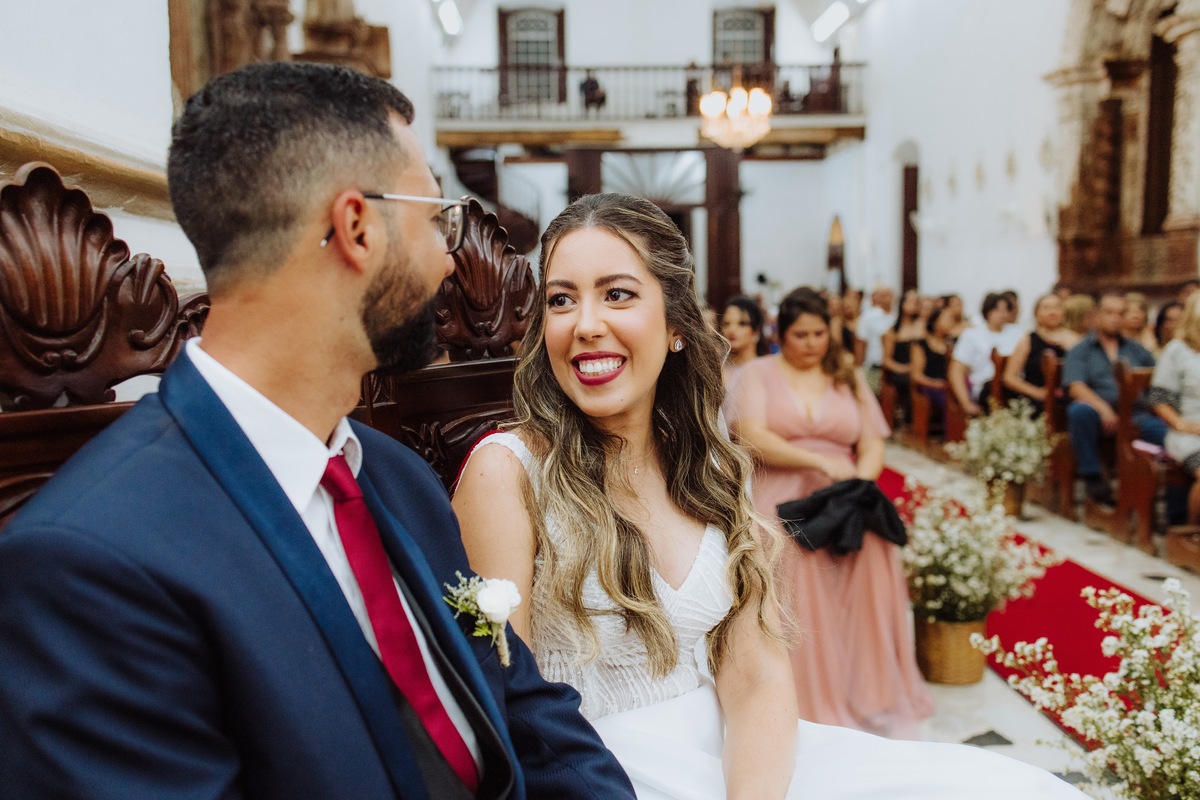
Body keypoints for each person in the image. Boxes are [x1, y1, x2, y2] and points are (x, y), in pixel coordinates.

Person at [0, 63, 635, 799]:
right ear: (356, 227)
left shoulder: (397, 477)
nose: (449, 262)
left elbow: (524, 707)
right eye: (437, 221)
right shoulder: (88, 567)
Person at [454, 194, 1087, 799]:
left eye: (617, 294)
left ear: (676, 325)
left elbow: (756, 676)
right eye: (562, 300)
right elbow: (508, 704)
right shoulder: (507, 474)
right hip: (595, 774)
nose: (586, 326)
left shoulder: (711, 471)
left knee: (1007, 787)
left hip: (747, 761)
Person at [731, 286, 933, 738]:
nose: (811, 343)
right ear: (782, 333)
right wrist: (820, 461)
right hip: (786, 492)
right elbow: (751, 433)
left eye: (820, 333)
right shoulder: (758, 373)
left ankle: (872, 691)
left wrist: (862, 479)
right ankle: (801, 695)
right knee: (785, 552)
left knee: (874, 550)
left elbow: (873, 439)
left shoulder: (847, 374)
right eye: (801, 334)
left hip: (847, 490)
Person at [1063, 291, 1164, 506]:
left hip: (1136, 415)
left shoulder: (1137, 350)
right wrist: (1102, 408)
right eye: (1109, 312)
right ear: (1096, 315)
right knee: (1079, 411)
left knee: (1166, 432)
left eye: (1120, 313)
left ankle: (1173, 505)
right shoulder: (1081, 350)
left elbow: (1157, 381)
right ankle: (1092, 477)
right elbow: (1075, 387)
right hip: (1099, 415)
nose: (1115, 318)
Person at [1150, 293, 1200, 523]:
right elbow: (1159, 399)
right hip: (1188, 434)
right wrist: (1183, 424)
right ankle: (1193, 534)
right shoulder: (1177, 350)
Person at [948, 292, 1022, 416]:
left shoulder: (1018, 333)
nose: (1002, 314)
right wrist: (966, 403)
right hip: (985, 387)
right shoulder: (971, 335)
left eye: (1006, 310)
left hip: (1016, 385)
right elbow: (956, 371)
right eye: (997, 309)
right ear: (987, 311)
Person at [1002, 293, 1072, 415]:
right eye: (1046, 308)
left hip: (1068, 397)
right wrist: (1039, 393)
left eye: (1057, 307)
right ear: (1036, 313)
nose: (1052, 312)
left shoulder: (1074, 339)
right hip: (1036, 398)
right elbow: (1009, 377)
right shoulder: (1027, 341)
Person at [909, 305, 956, 428]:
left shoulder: (952, 345)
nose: (951, 322)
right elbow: (916, 375)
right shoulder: (921, 344)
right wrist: (936, 384)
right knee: (949, 400)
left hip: (949, 386)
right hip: (929, 386)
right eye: (947, 319)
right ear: (935, 323)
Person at [880, 289, 924, 420]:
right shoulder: (892, 331)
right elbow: (886, 360)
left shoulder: (922, 326)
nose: (913, 304)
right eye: (910, 301)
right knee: (911, 381)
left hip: (920, 369)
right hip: (900, 371)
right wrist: (905, 368)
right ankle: (911, 419)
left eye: (916, 301)